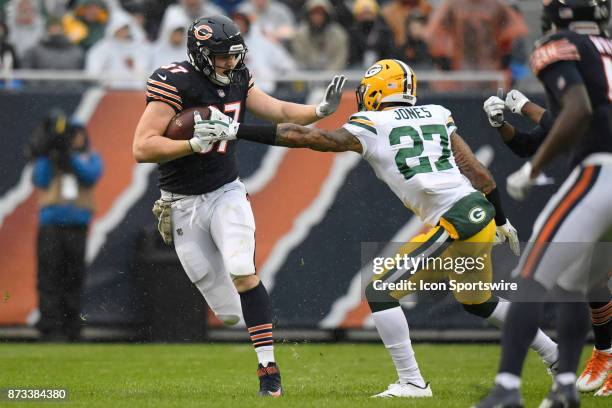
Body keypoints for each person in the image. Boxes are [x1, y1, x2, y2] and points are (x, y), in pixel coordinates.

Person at [195, 58, 560, 398]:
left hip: (457, 218)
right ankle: (556, 355)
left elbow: (307, 137)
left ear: (376, 91)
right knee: (479, 301)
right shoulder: (436, 113)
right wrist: (501, 219)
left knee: (382, 290)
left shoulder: (373, 124)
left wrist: (237, 129)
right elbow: (479, 174)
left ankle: (412, 382)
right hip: (476, 213)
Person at [131, 15, 346, 397]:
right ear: (199, 54)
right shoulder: (175, 81)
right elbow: (142, 147)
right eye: (221, 57)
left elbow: (276, 109)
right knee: (230, 314)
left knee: (243, 269)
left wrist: (318, 111)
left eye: (233, 56)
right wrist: (190, 145)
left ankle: (268, 369)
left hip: (226, 190)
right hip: (181, 203)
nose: (229, 64)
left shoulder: (237, 76)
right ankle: (252, 329)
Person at [476, 0, 612, 406]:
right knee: (580, 282)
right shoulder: (604, 53)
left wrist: (534, 171)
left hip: (601, 170)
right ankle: (569, 383)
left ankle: (507, 388)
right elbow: (549, 132)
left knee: (529, 281)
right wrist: (504, 124)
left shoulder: (560, 47)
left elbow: (577, 113)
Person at [28, 109, 103, 342]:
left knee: (74, 276)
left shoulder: (91, 156)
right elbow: (39, 180)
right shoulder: (49, 157)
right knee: (48, 276)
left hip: (76, 226)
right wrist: (50, 153)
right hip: (51, 225)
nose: (74, 138)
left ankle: (72, 328)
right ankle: (49, 328)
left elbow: (90, 175)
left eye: (77, 133)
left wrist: (68, 157)